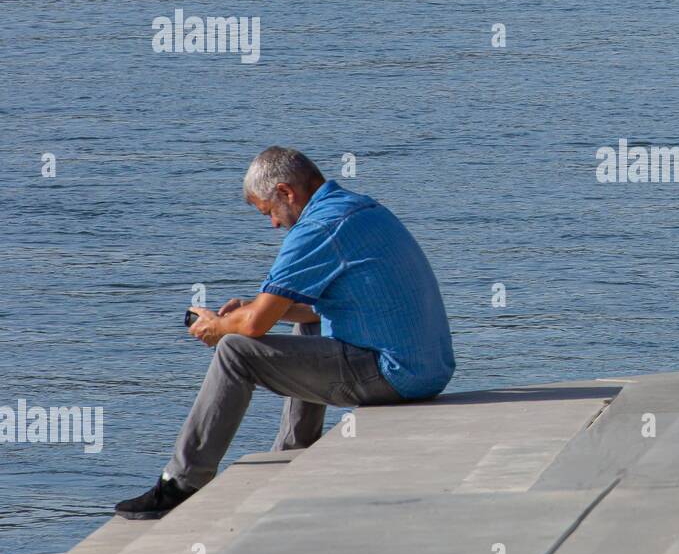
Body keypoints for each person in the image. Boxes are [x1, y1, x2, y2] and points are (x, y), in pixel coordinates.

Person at [115, 147, 455, 519]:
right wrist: (250, 310)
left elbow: (253, 328)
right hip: (427, 368)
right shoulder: (359, 209)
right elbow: (310, 309)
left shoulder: (317, 228)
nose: (274, 224)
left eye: (269, 211)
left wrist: (219, 326)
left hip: (394, 376)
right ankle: (295, 449)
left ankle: (181, 482)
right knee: (305, 323)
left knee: (235, 352)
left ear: (286, 192)